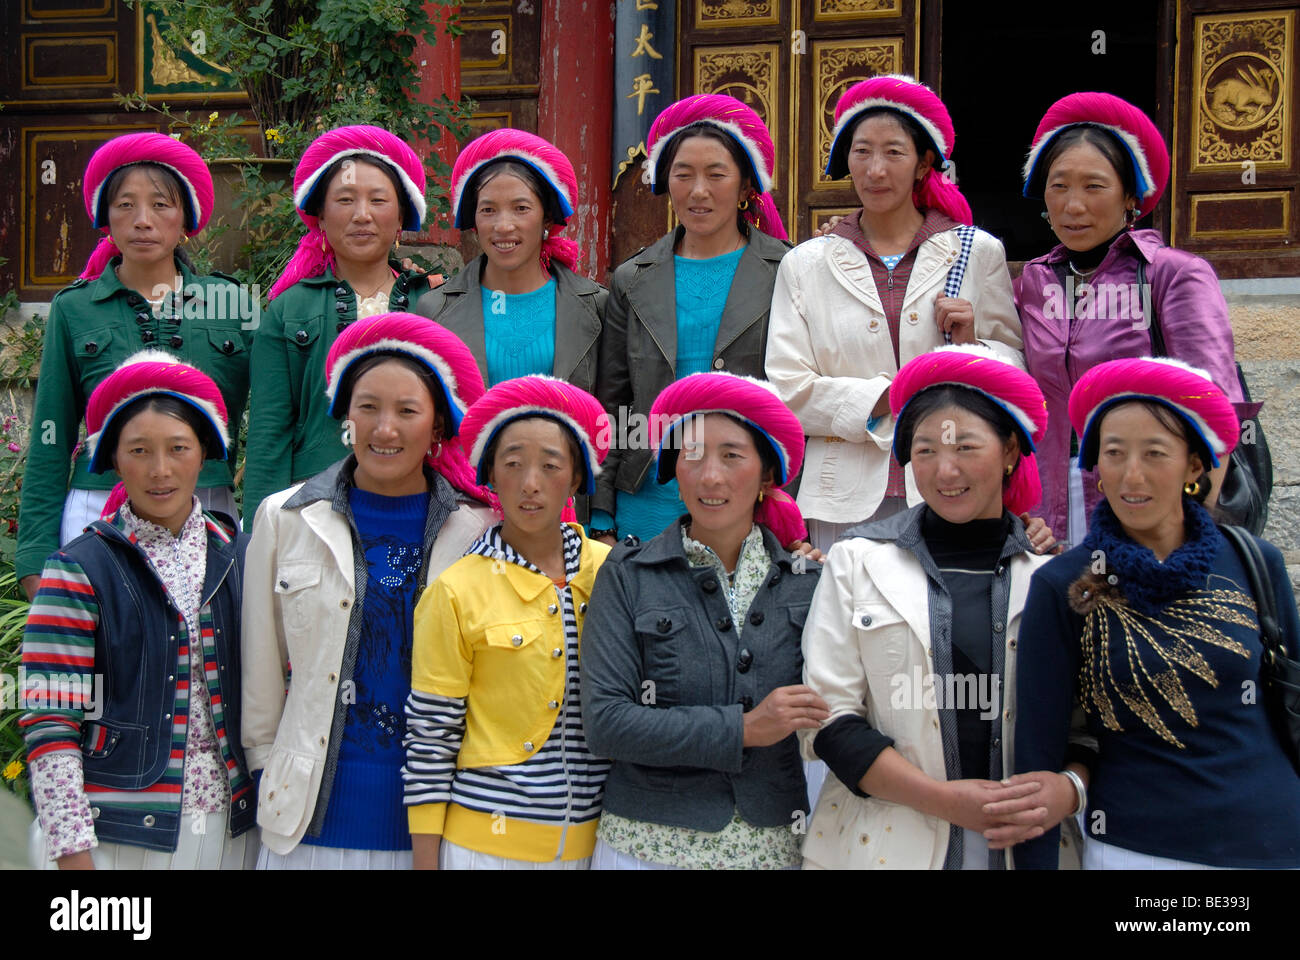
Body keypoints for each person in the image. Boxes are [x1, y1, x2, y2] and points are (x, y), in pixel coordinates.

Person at [799, 344, 1080, 870]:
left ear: (1011, 451)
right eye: (925, 451)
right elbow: (828, 720)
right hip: (884, 844)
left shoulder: (1052, 577)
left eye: (966, 447)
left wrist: (1067, 790)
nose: (945, 470)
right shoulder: (857, 563)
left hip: (1029, 846)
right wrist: (945, 802)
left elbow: (1086, 725)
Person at [1012, 357, 1300, 869]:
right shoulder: (1063, 586)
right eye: (1114, 453)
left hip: (1273, 839)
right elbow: (1039, 759)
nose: (1132, 475)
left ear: (1195, 465)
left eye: (1155, 453)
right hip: (1137, 849)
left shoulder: (1255, 562)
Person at [242, 313, 496, 869]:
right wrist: (267, 770)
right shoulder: (285, 519)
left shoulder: (478, 532)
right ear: (345, 416)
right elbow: (261, 669)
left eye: (408, 411)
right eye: (368, 408)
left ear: (437, 425)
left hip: (434, 829)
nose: (385, 429)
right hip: (308, 824)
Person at [766, 75, 1023, 552]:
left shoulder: (975, 252)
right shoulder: (805, 263)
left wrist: (971, 348)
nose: (876, 170)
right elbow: (787, 387)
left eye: (894, 153)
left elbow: (1014, 366)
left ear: (924, 163)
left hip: (953, 483)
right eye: (862, 152)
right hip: (841, 497)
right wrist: (891, 397)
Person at [21, 352, 256, 869]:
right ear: (114, 461)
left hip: (233, 833)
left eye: (178, 448)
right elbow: (49, 713)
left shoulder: (242, 558)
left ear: (204, 454)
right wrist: (73, 853)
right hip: (116, 834)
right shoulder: (77, 569)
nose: (160, 470)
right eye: (139, 451)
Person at [581, 372, 825, 869]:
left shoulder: (810, 583)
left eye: (732, 455)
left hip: (772, 849)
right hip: (645, 850)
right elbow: (607, 723)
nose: (710, 475)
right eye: (692, 455)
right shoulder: (628, 576)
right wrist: (745, 729)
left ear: (767, 477)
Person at [16, 132, 252, 599]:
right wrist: (34, 556)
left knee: (208, 659)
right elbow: (50, 435)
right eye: (125, 205)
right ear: (105, 217)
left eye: (161, 205)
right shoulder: (75, 308)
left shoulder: (234, 304)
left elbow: (271, 422)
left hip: (208, 509)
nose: (143, 221)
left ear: (186, 217)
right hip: (99, 509)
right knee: (111, 654)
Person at [1016, 92, 1247, 547]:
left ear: (1129, 197)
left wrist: (1187, 534)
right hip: (1047, 512)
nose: (1072, 205)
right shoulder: (1033, 281)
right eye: (1058, 186)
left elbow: (1217, 412)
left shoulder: (1173, 275)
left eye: (1094, 186)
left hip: (1148, 501)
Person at [403, 375, 611, 869]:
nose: (530, 483)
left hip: (598, 847)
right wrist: (426, 860)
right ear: (490, 475)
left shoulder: (613, 574)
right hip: (484, 851)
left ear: (577, 478)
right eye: (512, 464)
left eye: (550, 466)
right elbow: (432, 736)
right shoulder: (456, 590)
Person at [595, 94, 793, 545]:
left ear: (746, 187)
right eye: (683, 174)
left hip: (747, 496)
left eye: (716, 175)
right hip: (649, 497)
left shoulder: (787, 270)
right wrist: (602, 513)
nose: (698, 190)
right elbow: (613, 403)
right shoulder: (632, 278)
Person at [243, 125, 438, 525]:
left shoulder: (434, 303)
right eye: (345, 200)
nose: (361, 215)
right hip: (312, 506)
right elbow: (269, 435)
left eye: (378, 200)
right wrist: (258, 533)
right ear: (321, 217)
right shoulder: (288, 310)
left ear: (401, 215)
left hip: (417, 505)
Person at [415, 128, 606, 392]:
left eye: (521, 208)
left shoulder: (598, 307)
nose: (503, 226)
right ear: (475, 221)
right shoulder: (434, 309)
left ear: (547, 219)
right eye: (488, 210)